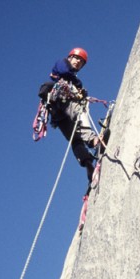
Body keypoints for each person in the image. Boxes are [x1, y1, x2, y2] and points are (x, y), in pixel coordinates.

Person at [41, 48, 99, 181]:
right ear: (70, 57)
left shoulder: (72, 78)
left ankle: (88, 164)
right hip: (63, 101)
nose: (78, 62)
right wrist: (79, 85)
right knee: (80, 113)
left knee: (75, 139)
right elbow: (63, 71)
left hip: (57, 112)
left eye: (81, 62)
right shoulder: (62, 63)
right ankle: (93, 140)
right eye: (77, 58)